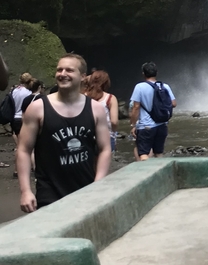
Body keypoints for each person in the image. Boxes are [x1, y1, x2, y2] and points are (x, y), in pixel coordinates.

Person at [17, 53, 111, 211]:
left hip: (86, 190)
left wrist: (98, 183)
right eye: (59, 70)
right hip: (49, 192)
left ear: (82, 76)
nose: (62, 74)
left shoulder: (96, 109)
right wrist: (25, 191)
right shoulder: (38, 108)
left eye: (69, 70)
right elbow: (24, 150)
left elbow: (105, 149)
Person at [129, 62, 176, 160]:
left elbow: (136, 107)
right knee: (159, 153)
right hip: (162, 125)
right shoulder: (164, 86)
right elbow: (173, 104)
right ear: (156, 73)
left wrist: (133, 125)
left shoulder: (139, 87)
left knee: (143, 154)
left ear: (143, 73)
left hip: (146, 126)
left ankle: (145, 173)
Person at [84, 70, 119, 152]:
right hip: (106, 136)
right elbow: (114, 121)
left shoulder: (83, 97)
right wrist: (113, 133)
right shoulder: (110, 98)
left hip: (87, 136)